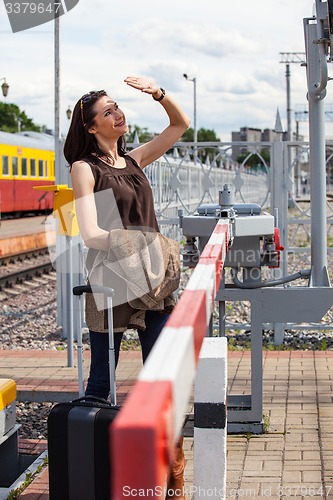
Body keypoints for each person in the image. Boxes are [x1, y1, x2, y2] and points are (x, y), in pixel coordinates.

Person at [64, 76, 190, 499]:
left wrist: (158, 94)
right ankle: (98, 475)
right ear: (91, 127)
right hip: (113, 280)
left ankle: (172, 483)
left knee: (163, 377)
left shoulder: (134, 161)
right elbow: (90, 233)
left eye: (118, 106)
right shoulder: (85, 168)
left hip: (152, 281)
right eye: (108, 111)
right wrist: (136, 241)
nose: (119, 113)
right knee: (102, 381)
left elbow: (179, 126)